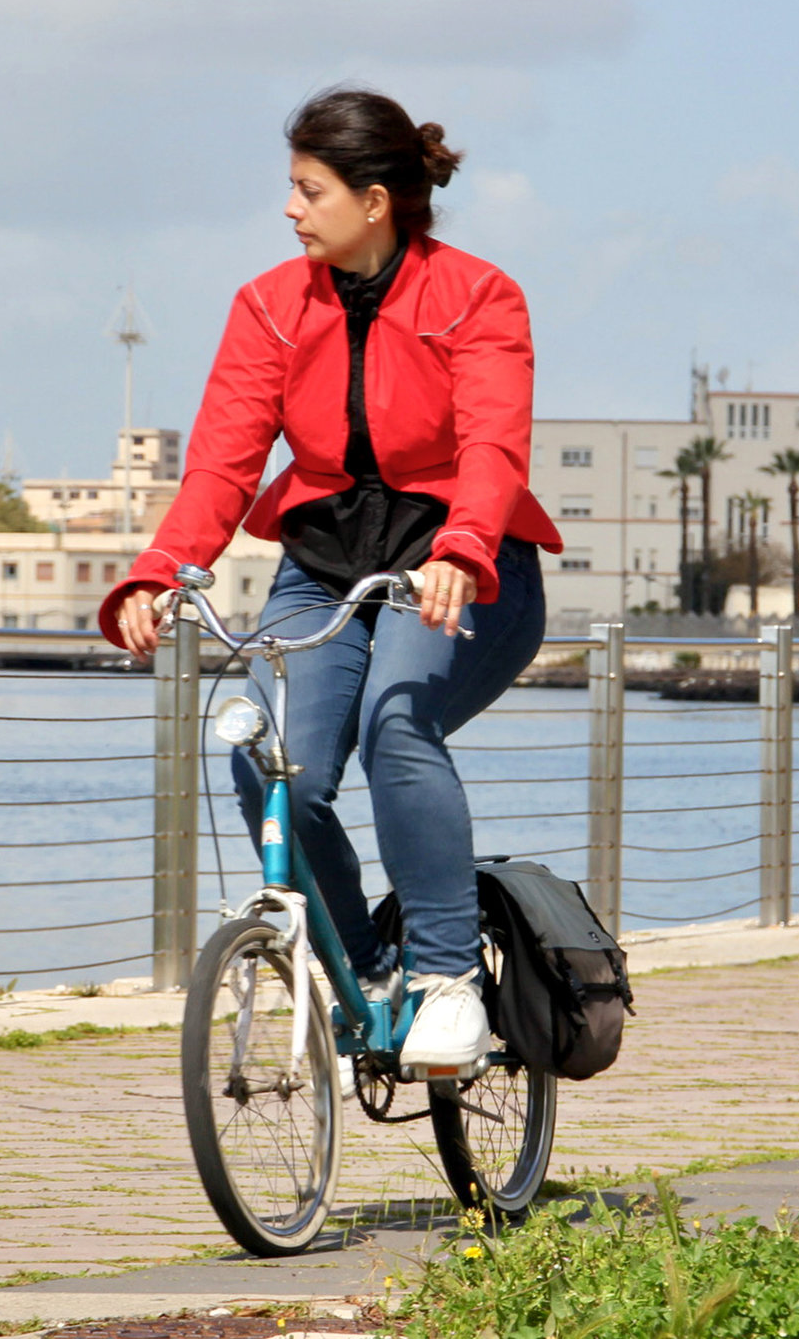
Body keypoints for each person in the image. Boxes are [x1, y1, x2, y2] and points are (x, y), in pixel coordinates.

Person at [101, 89, 561, 1069]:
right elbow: (224, 464)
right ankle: (368, 968)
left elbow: (490, 448)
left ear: (377, 200)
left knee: (397, 725)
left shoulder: (479, 297)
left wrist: (463, 549)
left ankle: (449, 981)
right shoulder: (269, 306)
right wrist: (158, 577)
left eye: (310, 190)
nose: (291, 208)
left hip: (459, 571)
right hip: (322, 569)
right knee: (271, 762)